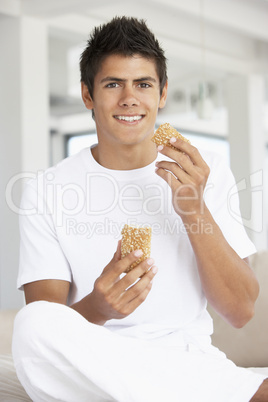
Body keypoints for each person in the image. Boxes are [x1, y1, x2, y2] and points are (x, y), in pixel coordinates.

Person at [12, 16, 268, 402]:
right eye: (113, 84)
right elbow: (47, 326)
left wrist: (194, 209)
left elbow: (241, 311)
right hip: (94, 361)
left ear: (162, 93)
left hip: (186, 358)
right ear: (87, 95)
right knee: (29, 325)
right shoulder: (45, 189)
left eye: (143, 84)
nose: (129, 98)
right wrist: (98, 308)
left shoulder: (203, 169)